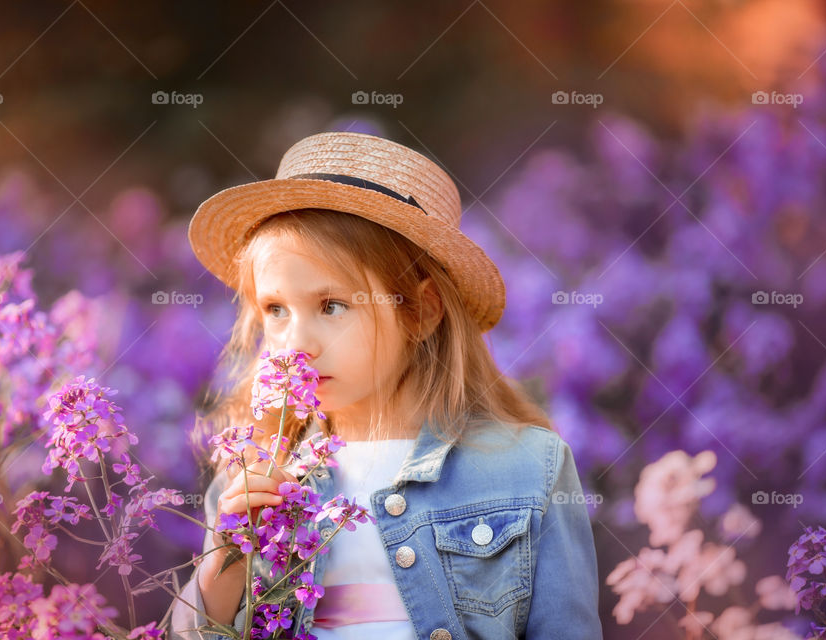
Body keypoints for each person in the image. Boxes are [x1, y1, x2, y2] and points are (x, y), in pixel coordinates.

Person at [168, 131, 602, 639]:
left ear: (421, 311)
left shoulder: (529, 469)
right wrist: (226, 565)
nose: (297, 342)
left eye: (332, 305)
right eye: (276, 310)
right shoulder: (255, 476)